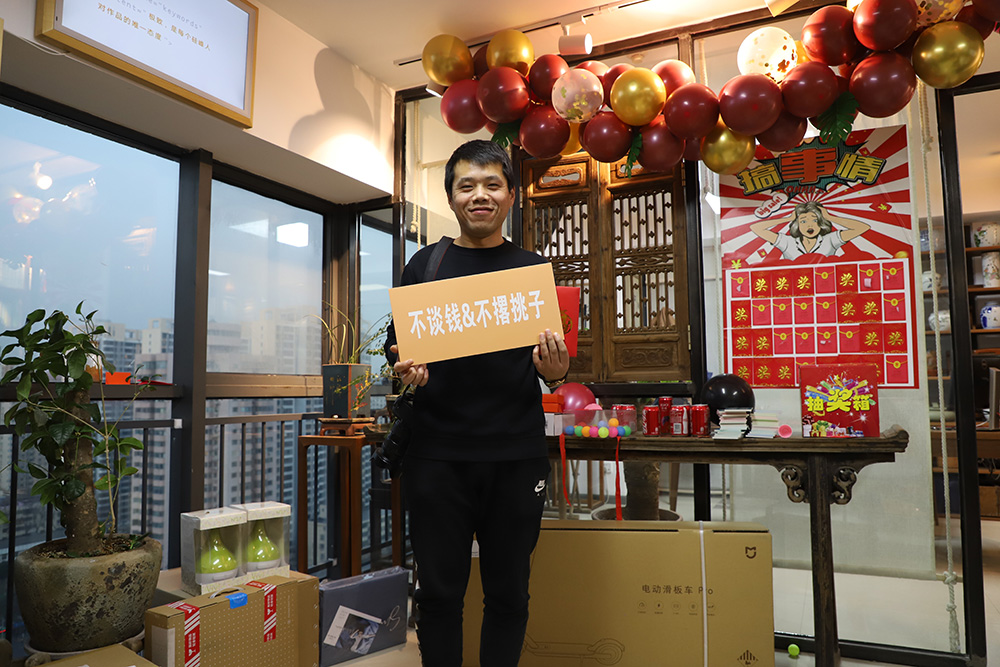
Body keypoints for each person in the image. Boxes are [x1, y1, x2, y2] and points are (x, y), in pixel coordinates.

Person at [384, 139, 570, 667]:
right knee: (438, 594)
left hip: (515, 457)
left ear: (510, 195)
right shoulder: (426, 265)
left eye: (492, 184)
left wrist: (555, 373)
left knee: (509, 593)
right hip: (437, 457)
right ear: (451, 198)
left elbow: (551, 368)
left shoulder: (532, 272)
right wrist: (407, 371)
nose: (479, 195)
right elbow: (398, 354)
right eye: (466, 185)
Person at [749, 201, 870, 261]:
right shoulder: (787, 242)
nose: (809, 225)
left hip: (824, 285)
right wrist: (788, 219)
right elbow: (756, 228)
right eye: (803, 221)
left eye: (815, 220)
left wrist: (830, 217)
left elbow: (862, 227)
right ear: (797, 225)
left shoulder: (830, 240)